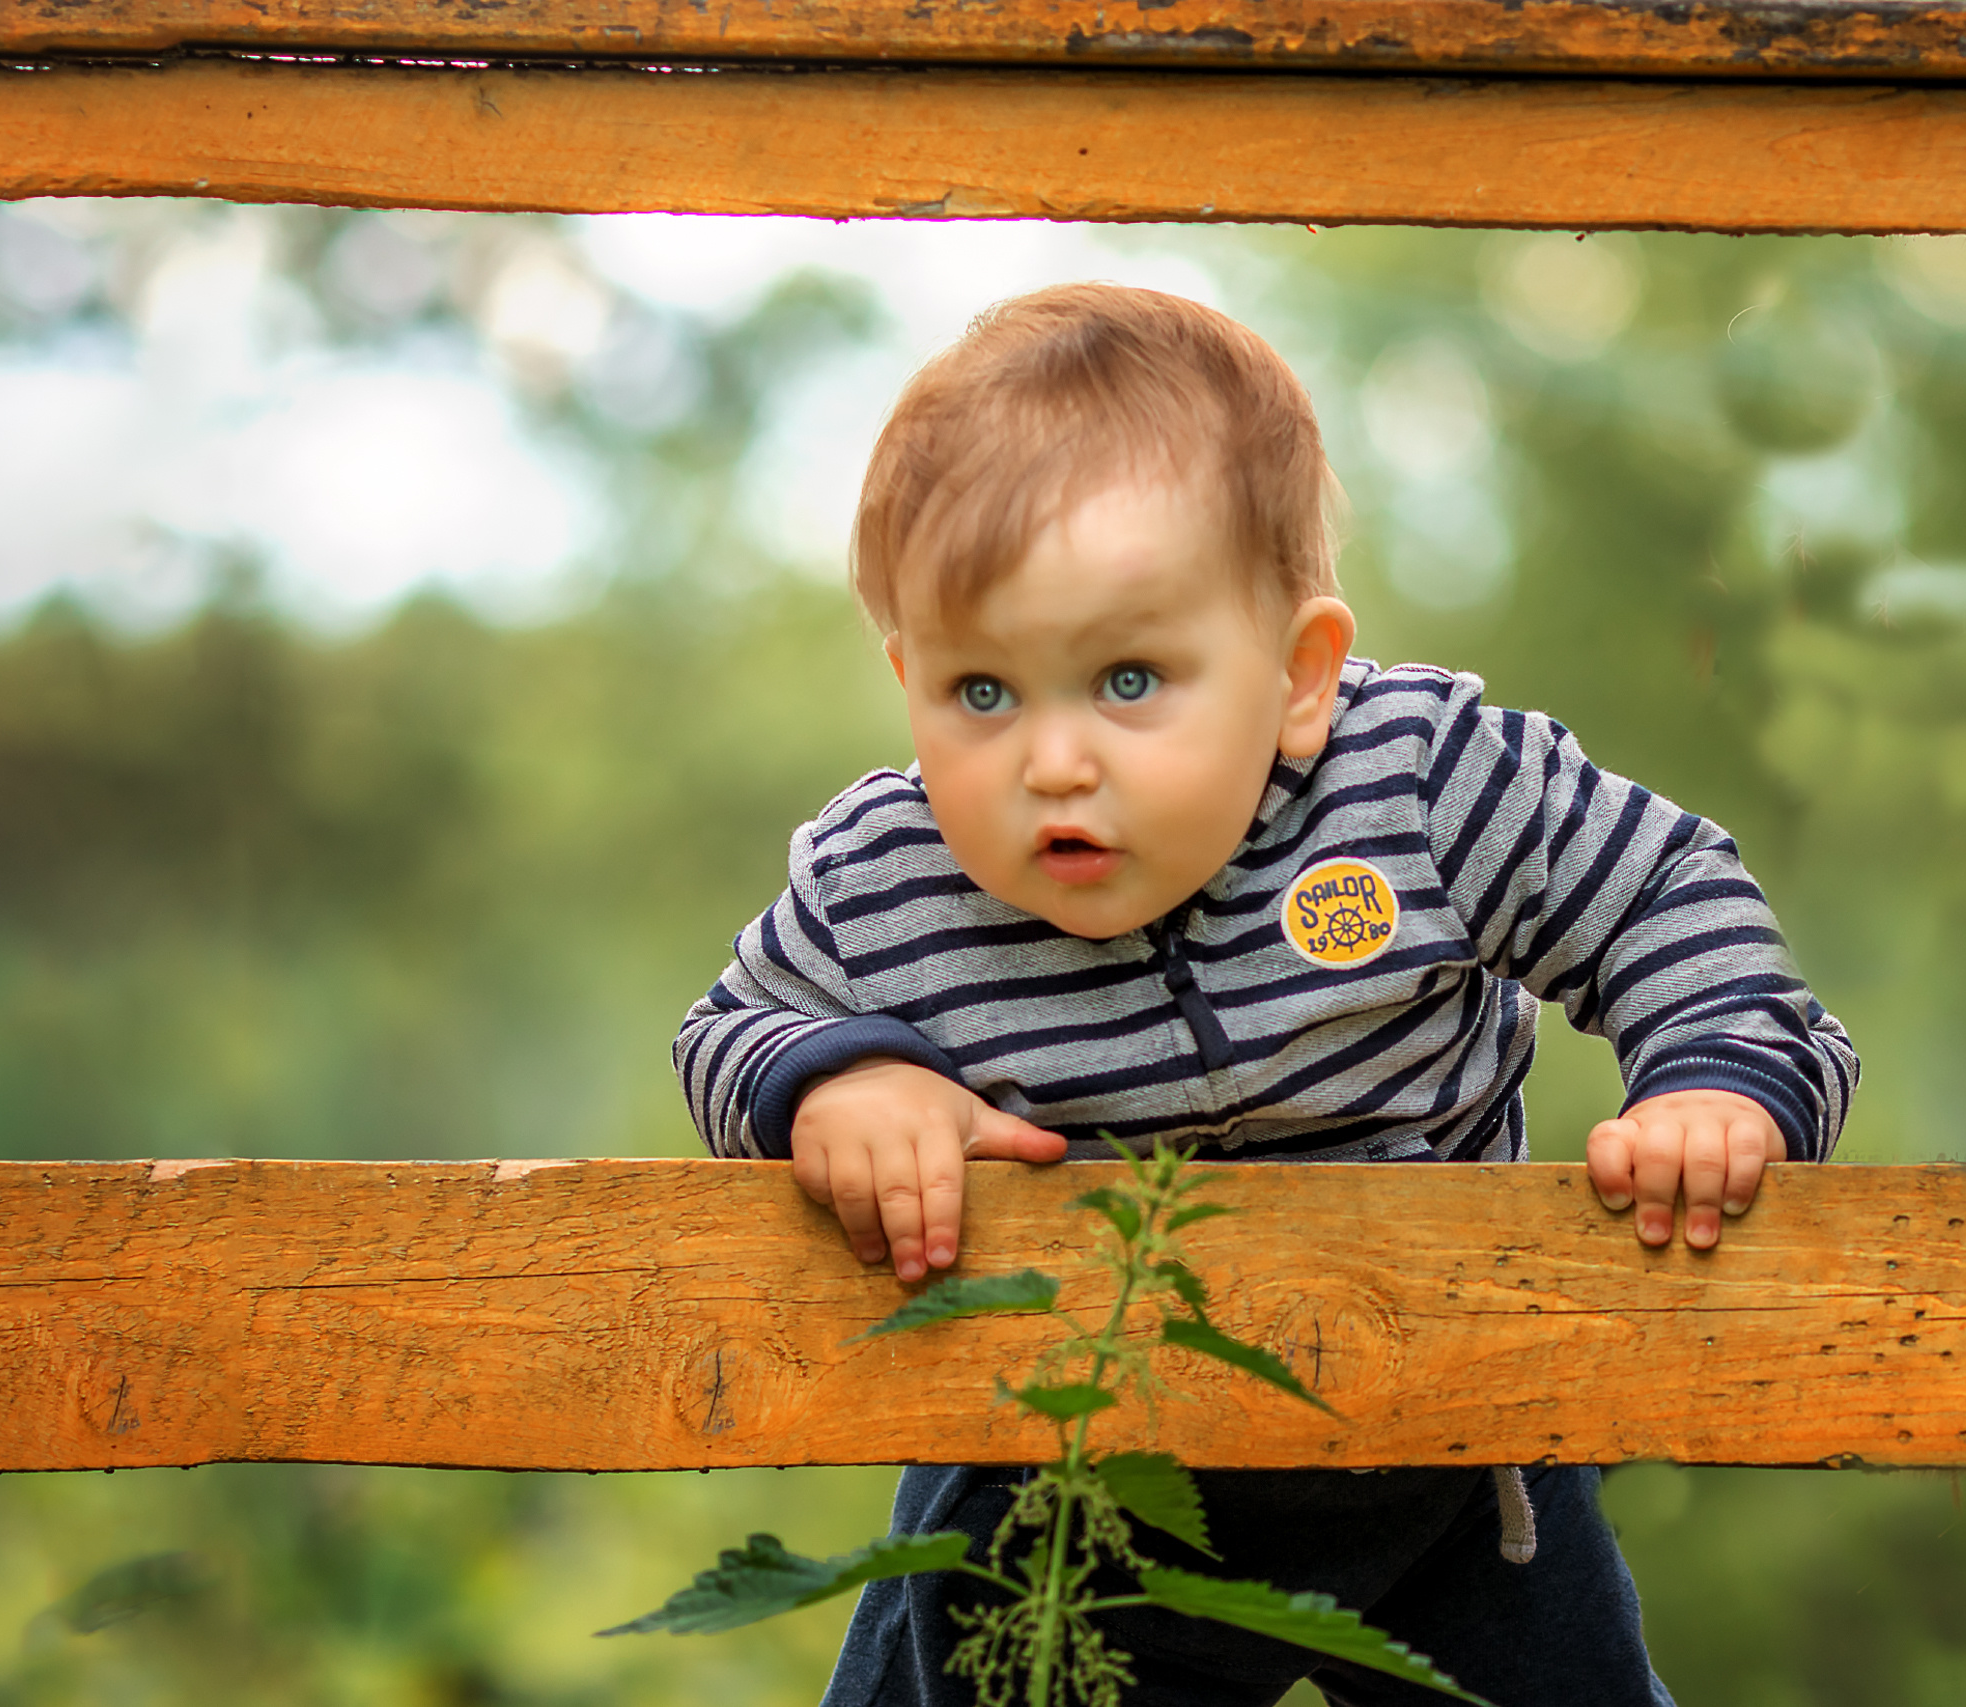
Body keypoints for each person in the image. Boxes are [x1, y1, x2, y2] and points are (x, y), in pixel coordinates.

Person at [675, 283, 1859, 1706]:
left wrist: (1715, 1079)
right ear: (907, 677)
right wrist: (844, 1079)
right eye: (980, 693)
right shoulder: (890, 874)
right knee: (965, 1642)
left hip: (1451, 1446)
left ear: (1301, 678)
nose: (1052, 760)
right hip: (1077, 1476)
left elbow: (1665, 891)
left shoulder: (1414, 782)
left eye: (1128, 679)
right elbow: (728, 1031)